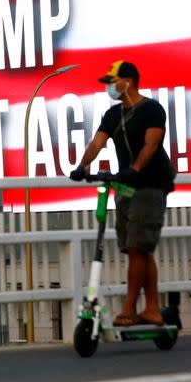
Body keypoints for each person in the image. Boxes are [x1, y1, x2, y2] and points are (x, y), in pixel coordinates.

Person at [69, 61, 175, 327]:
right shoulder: (113, 115)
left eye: (112, 81)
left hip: (150, 184)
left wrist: (135, 168)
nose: (109, 87)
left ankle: (128, 309)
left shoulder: (151, 109)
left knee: (139, 247)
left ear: (127, 81)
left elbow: (153, 144)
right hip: (126, 187)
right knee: (136, 249)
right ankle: (152, 309)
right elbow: (97, 142)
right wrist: (82, 167)